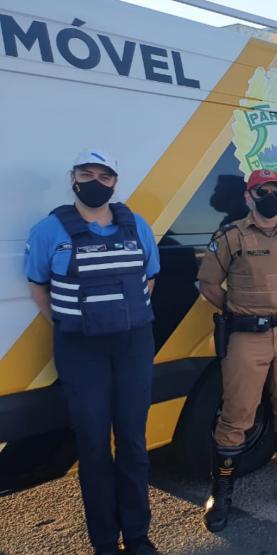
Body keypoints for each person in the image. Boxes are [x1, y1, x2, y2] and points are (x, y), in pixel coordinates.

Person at [24, 149, 160, 555]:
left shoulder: (135, 224)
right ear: (73, 178)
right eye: (87, 173)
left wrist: (120, 317)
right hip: (81, 350)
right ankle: (104, 541)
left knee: (134, 443)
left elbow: (148, 279)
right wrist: (70, 323)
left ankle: (137, 535)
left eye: (104, 176)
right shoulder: (49, 230)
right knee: (93, 446)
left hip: (133, 344)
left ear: (115, 183)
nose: (95, 182)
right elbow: (38, 286)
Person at [198, 169, 277, 532]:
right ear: (248, 196)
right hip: (246, 337)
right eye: (262, 190)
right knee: (237, 414)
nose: (270, 195)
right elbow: (208, 283)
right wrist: (241, 309)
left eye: (276, 190)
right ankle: (220, 495)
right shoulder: (231, 236)